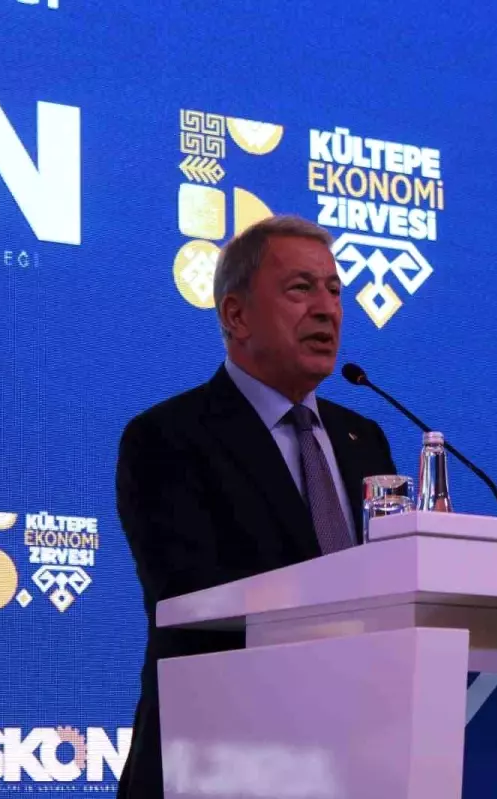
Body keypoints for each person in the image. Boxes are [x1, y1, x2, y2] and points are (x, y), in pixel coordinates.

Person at [114, 215, 397, 799]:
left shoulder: (363, 439)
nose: (327, 310)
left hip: (355, 755)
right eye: (301, 289)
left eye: (334, 290)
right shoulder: (168, 437)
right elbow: (190, 598)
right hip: (219, 759)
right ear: (236, 316)